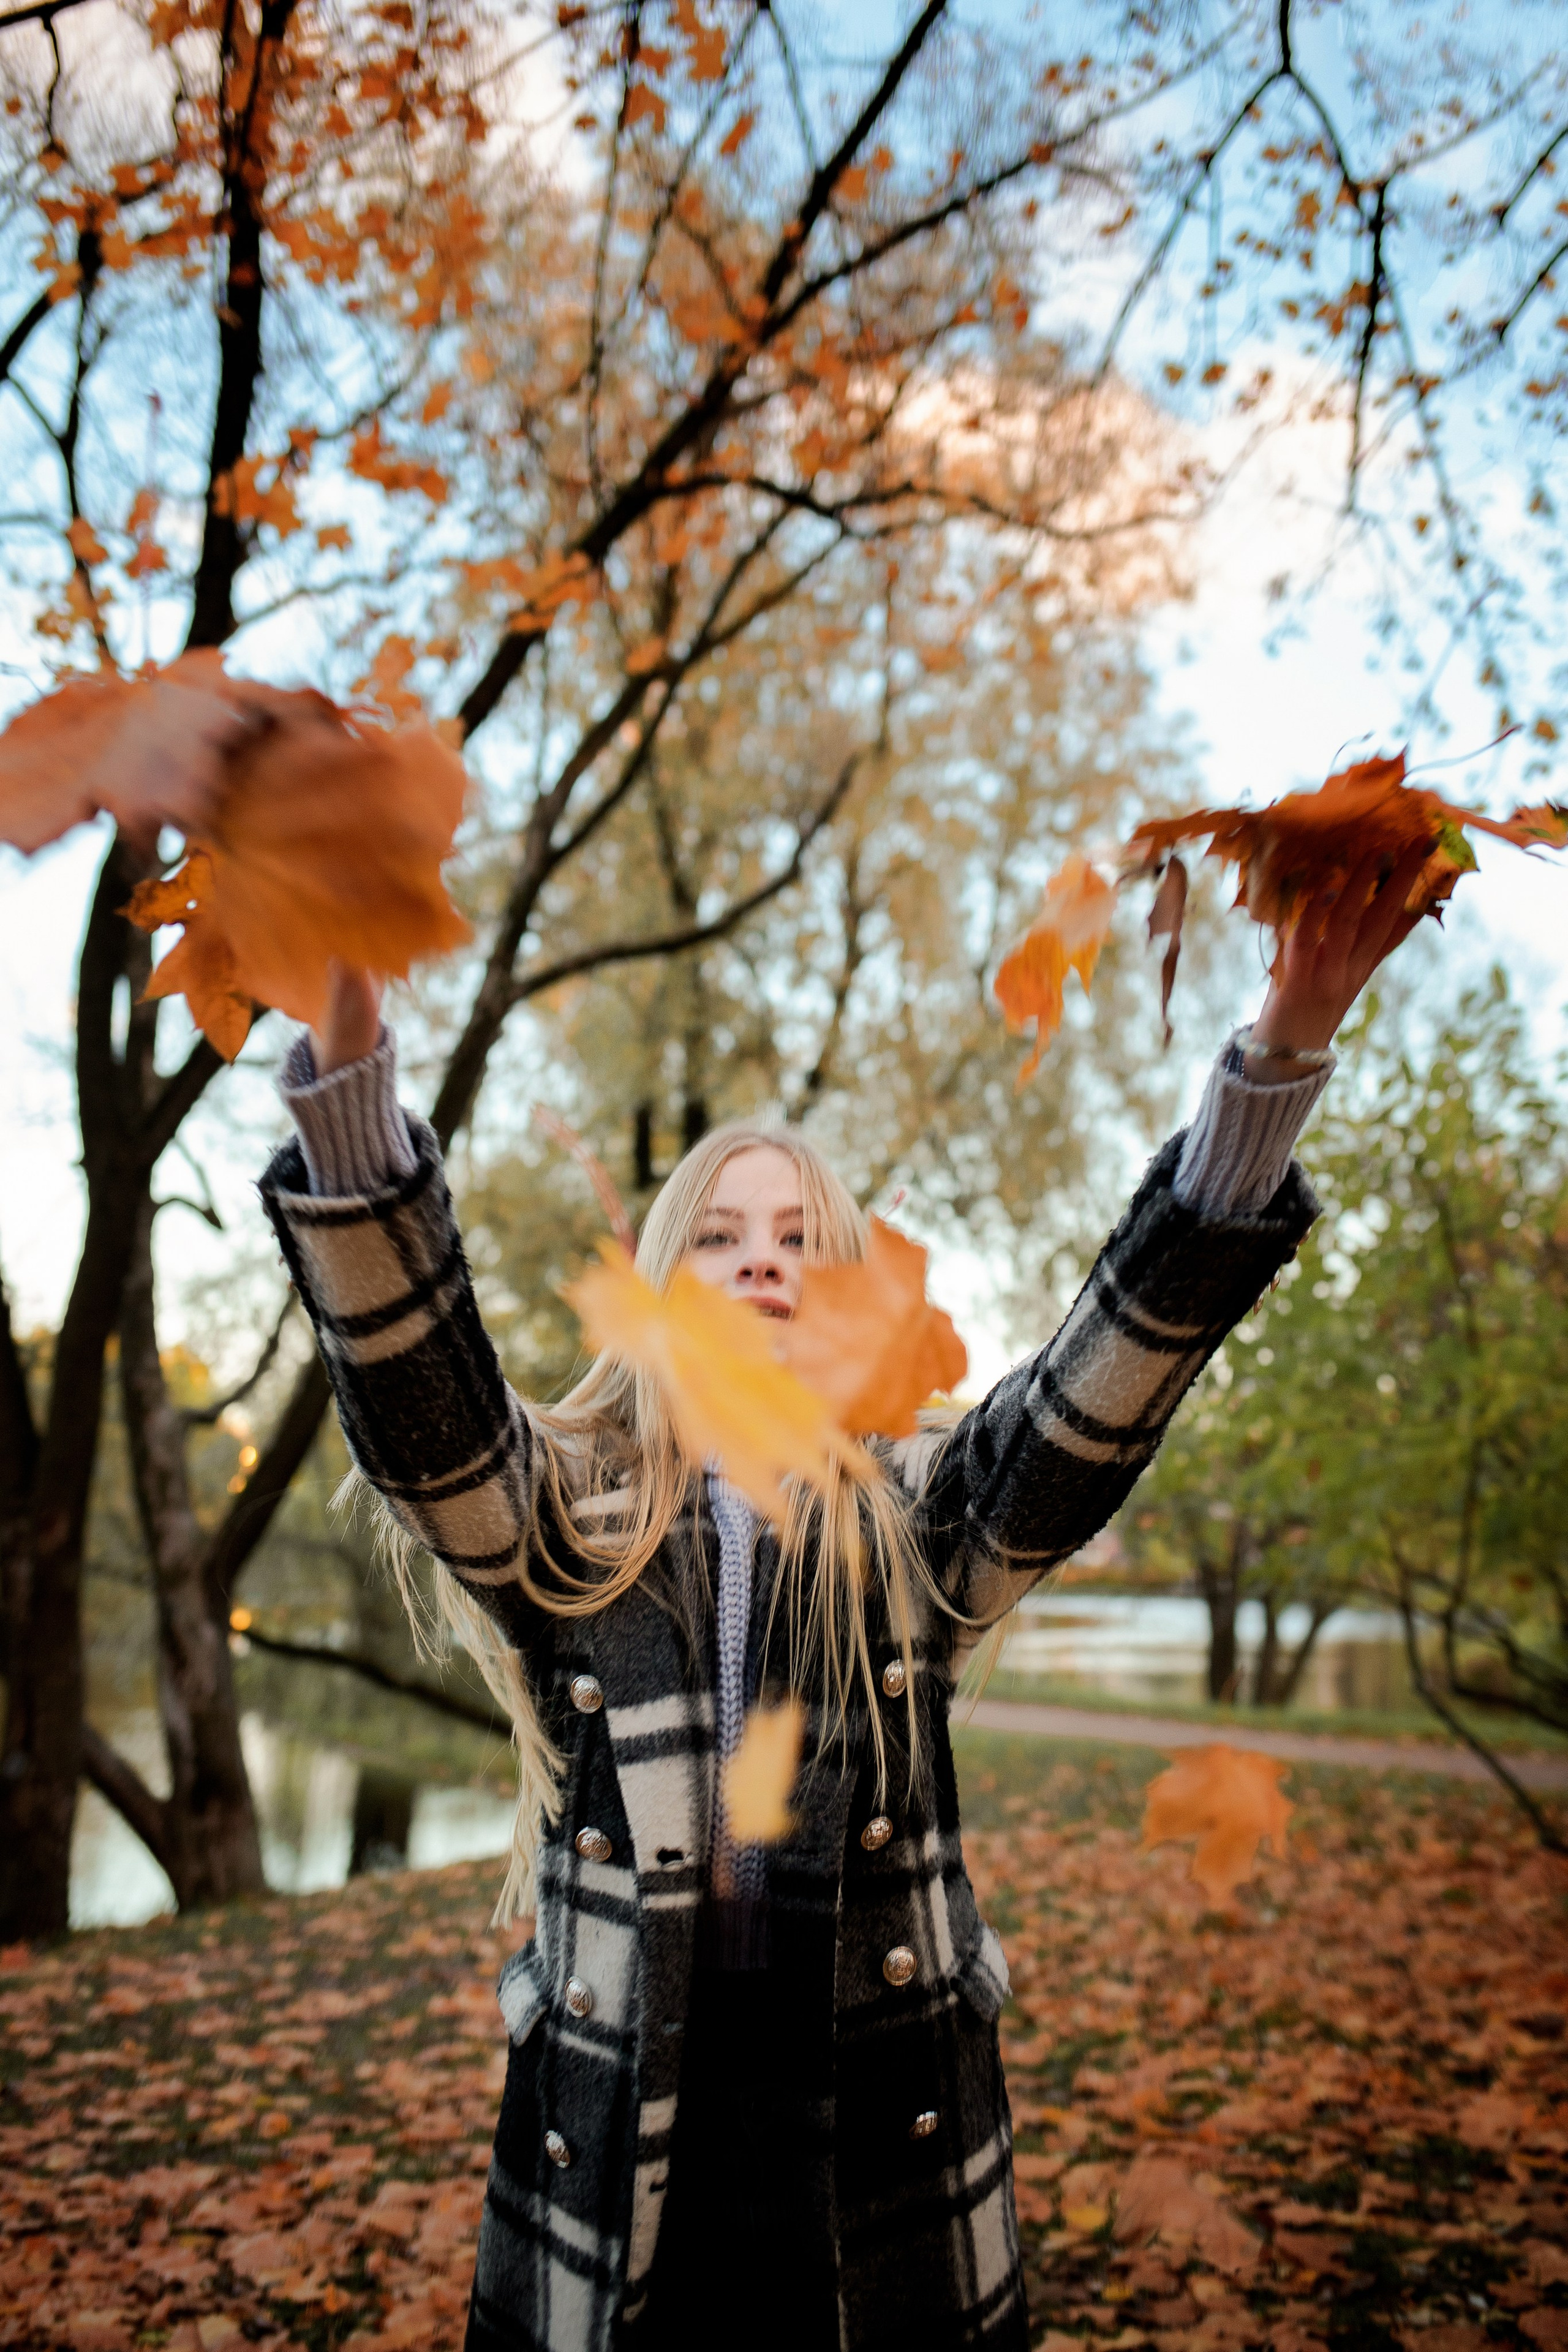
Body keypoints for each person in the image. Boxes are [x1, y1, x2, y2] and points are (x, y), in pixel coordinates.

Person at [256, 844, 1425, 2352]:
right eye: (723, 1241)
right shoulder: (572, 1519)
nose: (762, 1268)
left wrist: (1277, 1058)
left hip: (871, 2120)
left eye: (802, 1242)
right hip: (628, 2141)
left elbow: (1094, 1394)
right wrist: (349, 1090)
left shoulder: (912, 1516)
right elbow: (427, 1410)